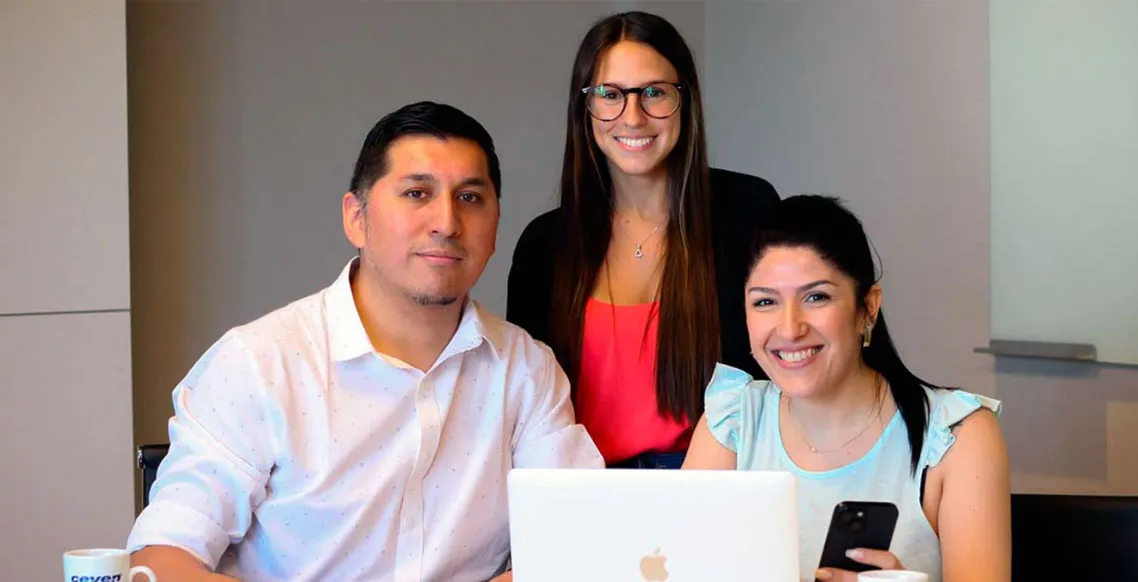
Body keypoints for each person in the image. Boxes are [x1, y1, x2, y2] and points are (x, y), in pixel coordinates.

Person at [127, 101, 604, 582]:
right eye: (417, 193)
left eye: (470, 198)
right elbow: (161, 561)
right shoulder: (257, 364)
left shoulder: (527, 371)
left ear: (495, 225)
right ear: (356, 217)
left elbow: (580, 544)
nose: (446, 222)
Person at [682, 195, 1011, 582]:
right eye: (765, 301)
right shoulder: (732, 423)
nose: (789, 328)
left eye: (816, 297)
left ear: (867, 309)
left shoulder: (958, 437)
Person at [506, 11, 780, 470]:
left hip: (718, 486)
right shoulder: (544, 244)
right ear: (585, 108)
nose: (633, 117)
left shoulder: (747, 209)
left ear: (685, 101)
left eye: (654, 92)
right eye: (610, 95)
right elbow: (528, 406)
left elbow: (783, 366)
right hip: (586, 495)